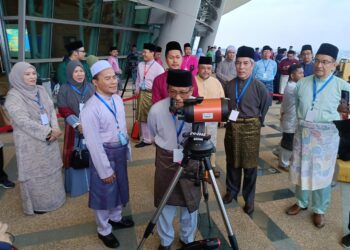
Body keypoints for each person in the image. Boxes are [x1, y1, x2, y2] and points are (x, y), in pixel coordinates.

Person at [286, 43, 350, 228]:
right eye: (317, 60)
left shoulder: (342, 86)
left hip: (326, 139)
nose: (319, 65)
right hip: (303, 134)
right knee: (301, 170)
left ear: (334, 64)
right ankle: (301, 201)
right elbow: (295, 108)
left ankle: (319, 209)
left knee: (322, 174)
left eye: (325, 62)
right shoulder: (302, 83)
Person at [81, 60, 134, 248]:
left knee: (119, 187)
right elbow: (94, 144)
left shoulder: (118, 99)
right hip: (104, 155)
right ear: (95, 82)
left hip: (119, 152)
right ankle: (103, 229)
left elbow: (122, 128)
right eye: (107, 78)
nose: (113, 82)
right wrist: (104, 170)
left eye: (114, 77)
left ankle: (116, 218)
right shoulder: (90, 109)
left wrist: (127, 148)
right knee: (104, 193)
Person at [148, 69, 201, 250]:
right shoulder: (156, 109)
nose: (178, 97)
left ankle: (188, 238)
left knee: (190, 203)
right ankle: (166, 241)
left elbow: (204, 134)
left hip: (190, 158)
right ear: (167, 88)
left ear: (191, 89)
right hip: (165, 159)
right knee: (166, 203)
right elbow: (153, 132)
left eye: (183, 92)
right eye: (173, 91)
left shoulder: (199, 109)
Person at [5, 62, 65, 215]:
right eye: (27, 74)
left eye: (33, 73)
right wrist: (48, 131)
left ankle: (56, 199)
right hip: (30, 143)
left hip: (50, 137)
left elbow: (51, 109)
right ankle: (39, 205)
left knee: (52, 169)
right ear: (18, 76)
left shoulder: (41, 89)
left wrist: (55, 128)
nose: (32, 77)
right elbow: (22, 121)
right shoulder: (14, 96)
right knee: (36, 173)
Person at [222, 46, 270, 216]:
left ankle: (249, 199)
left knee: (249, 167)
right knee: (232, 161)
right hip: (232, 127)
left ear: (252, 65)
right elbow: (226, 106)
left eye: (245, 63)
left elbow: (266, 105)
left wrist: (258, 121)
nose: (241, 67)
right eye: (238, 63)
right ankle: (231, 191)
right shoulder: (229, 85)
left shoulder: (259, 87)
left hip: (251, 128)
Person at [57, 60, 95, 197]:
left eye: (81, 71)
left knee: (92, 153)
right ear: (69, 73)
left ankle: (93, 183)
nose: (79, 74)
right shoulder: (64, 89)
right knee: (75, 154)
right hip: (74, 130)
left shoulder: (91, 87)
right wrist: (77, 124)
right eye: (76, 71)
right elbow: (63, 108)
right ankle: (77, 187)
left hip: (91, 128)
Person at [195, 56, 225, 177]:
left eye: (208, 68)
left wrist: (223, 117)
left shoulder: (216, 82)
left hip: (212, 120)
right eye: (203, 68)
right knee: (196, 142)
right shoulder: (193, 80)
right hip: (196, 120)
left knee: (211, 142)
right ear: (198, 68)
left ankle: (211, 167)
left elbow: (222, 100)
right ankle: (196, 166)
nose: (206, 71)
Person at [134, 43, 164, 148]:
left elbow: (161, 85)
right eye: (143, 52)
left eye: (145, 52)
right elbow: (138, 79)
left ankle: (155, 137)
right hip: (142, 93)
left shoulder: (159, 68)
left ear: (152, 53)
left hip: (152, 94)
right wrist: (137, 89)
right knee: (141, 116)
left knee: (152, 117)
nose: (143, 54)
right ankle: (146, 139)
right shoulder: (140, 65)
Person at [278, 64, 304, 171]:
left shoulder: (293, 86)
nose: (303, 75)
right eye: (300, 73)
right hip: (291, 119)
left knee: (288, 138)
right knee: (288, 141)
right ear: (292, 76)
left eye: (303, 72)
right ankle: (283, 163)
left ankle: (277, 152)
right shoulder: (293, 87)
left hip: (291, 118)